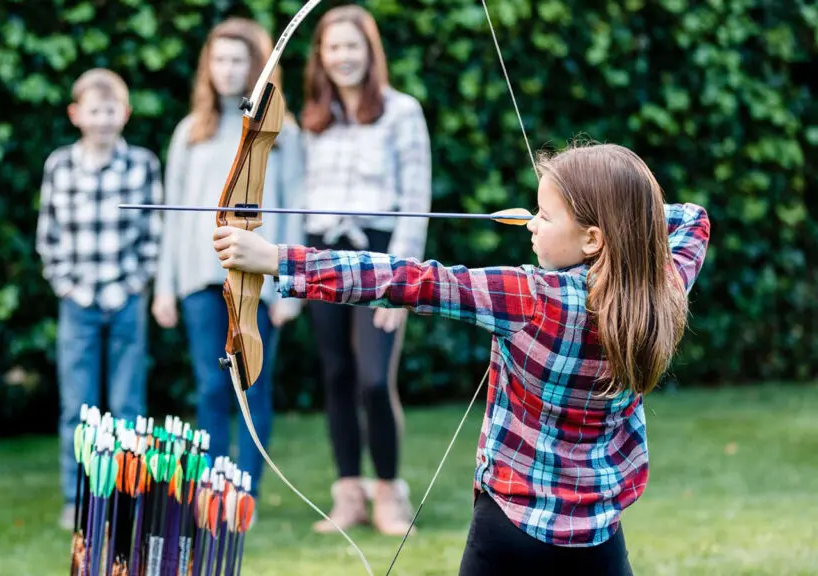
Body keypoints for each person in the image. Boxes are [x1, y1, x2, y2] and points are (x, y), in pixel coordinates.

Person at [211, 141, 711, 574]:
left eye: (545, 215)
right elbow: (692, 217)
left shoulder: (529, 296)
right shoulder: (661, 289)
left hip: (510, 530)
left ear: (592, 238)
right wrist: (628, 220)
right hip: (599, 536)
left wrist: (276, 260)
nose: (532, 224)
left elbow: (410, 281)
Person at [151, 17, 304, 516]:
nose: (228, 68)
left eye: (238, 59)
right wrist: (165, 287)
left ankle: (247, 492)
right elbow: (172, 212)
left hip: (257, 281)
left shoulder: (279, 131)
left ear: (256, 66)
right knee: (212, 386)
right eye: (219, 59)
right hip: (199, 279)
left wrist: (289, 287)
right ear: (207, 67)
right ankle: (214, 488)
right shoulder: (189, 132)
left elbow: (293, 207)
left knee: (251, 382)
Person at [295, 4, 432, 536]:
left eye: (353, 46)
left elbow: (416, 198)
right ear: (321, 57)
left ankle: (388, 494)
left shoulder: (402, 111)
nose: (343, 57)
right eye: (333, 47)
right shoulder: (312, 118)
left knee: (375, 380)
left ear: (370, 52)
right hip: (321, 253)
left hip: (381, 256)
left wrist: (404, 282)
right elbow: (297, 197)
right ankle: (348, 492)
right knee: (336, 375)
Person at [35, 68, 163, 529]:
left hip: (125, 297)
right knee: (79, 407)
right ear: (76, 115)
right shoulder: (60, 166)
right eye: (94, 111)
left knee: (128, 405)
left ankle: (128, 495)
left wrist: (134, 284)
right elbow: (48, 236)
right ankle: (78, 496)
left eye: (111, 110)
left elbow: (152, 234)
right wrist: (66, 285)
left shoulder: (143, 164)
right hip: (78, 301)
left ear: (124, 114)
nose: (103, 119)